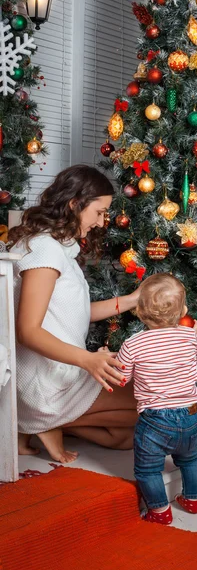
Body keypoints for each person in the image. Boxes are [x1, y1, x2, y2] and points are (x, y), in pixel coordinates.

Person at [9, 165, 139, 464]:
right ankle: (40, 420)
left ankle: (38, 425)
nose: (102, 221)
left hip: (60, 370)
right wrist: (88, 360)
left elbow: (73, 313)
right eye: (99, 212)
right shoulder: (45, 250)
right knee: (150, 400)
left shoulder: (56, 247)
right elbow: (28, 331)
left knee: (124, 438)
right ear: (74, 204)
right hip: (46, 378)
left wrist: (133, 299)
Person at [113, 273, 197, 525]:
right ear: (183, 310)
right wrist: (194, 337)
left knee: (147, 469)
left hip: (156, 417)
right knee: (191, 458)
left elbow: (122, 378)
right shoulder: (190, 337)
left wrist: (109, 358)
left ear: (140, 312)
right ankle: (193, 500)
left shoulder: (133, 344)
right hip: (191, 412)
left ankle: (160, 511)